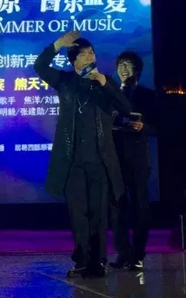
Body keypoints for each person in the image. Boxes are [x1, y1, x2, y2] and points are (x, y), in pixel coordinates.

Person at [33, 31, 131, 278]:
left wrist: (105, 85)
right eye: (84, 54)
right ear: (74, 60)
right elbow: (39, 66)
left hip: (100, 160)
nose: (89, 57)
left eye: (92, 53)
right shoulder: (64, 81)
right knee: (78, 215)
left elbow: (126, 108)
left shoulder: (105, 83)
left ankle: (98, 261)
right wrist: (57, 44)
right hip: (72, 161)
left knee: (99, 214)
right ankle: (81, 261)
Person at [110, 51, 159, 271]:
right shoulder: (110, 94)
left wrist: (144, 127)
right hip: (115, 157)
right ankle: (123, 252)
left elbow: (161, 127)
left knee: (140, 206)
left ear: (137, 70)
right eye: (120, 65)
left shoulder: (148, 96)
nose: (123, 69)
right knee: (117, 207)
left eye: (127, 65)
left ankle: (137, 254)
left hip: (138, 159)